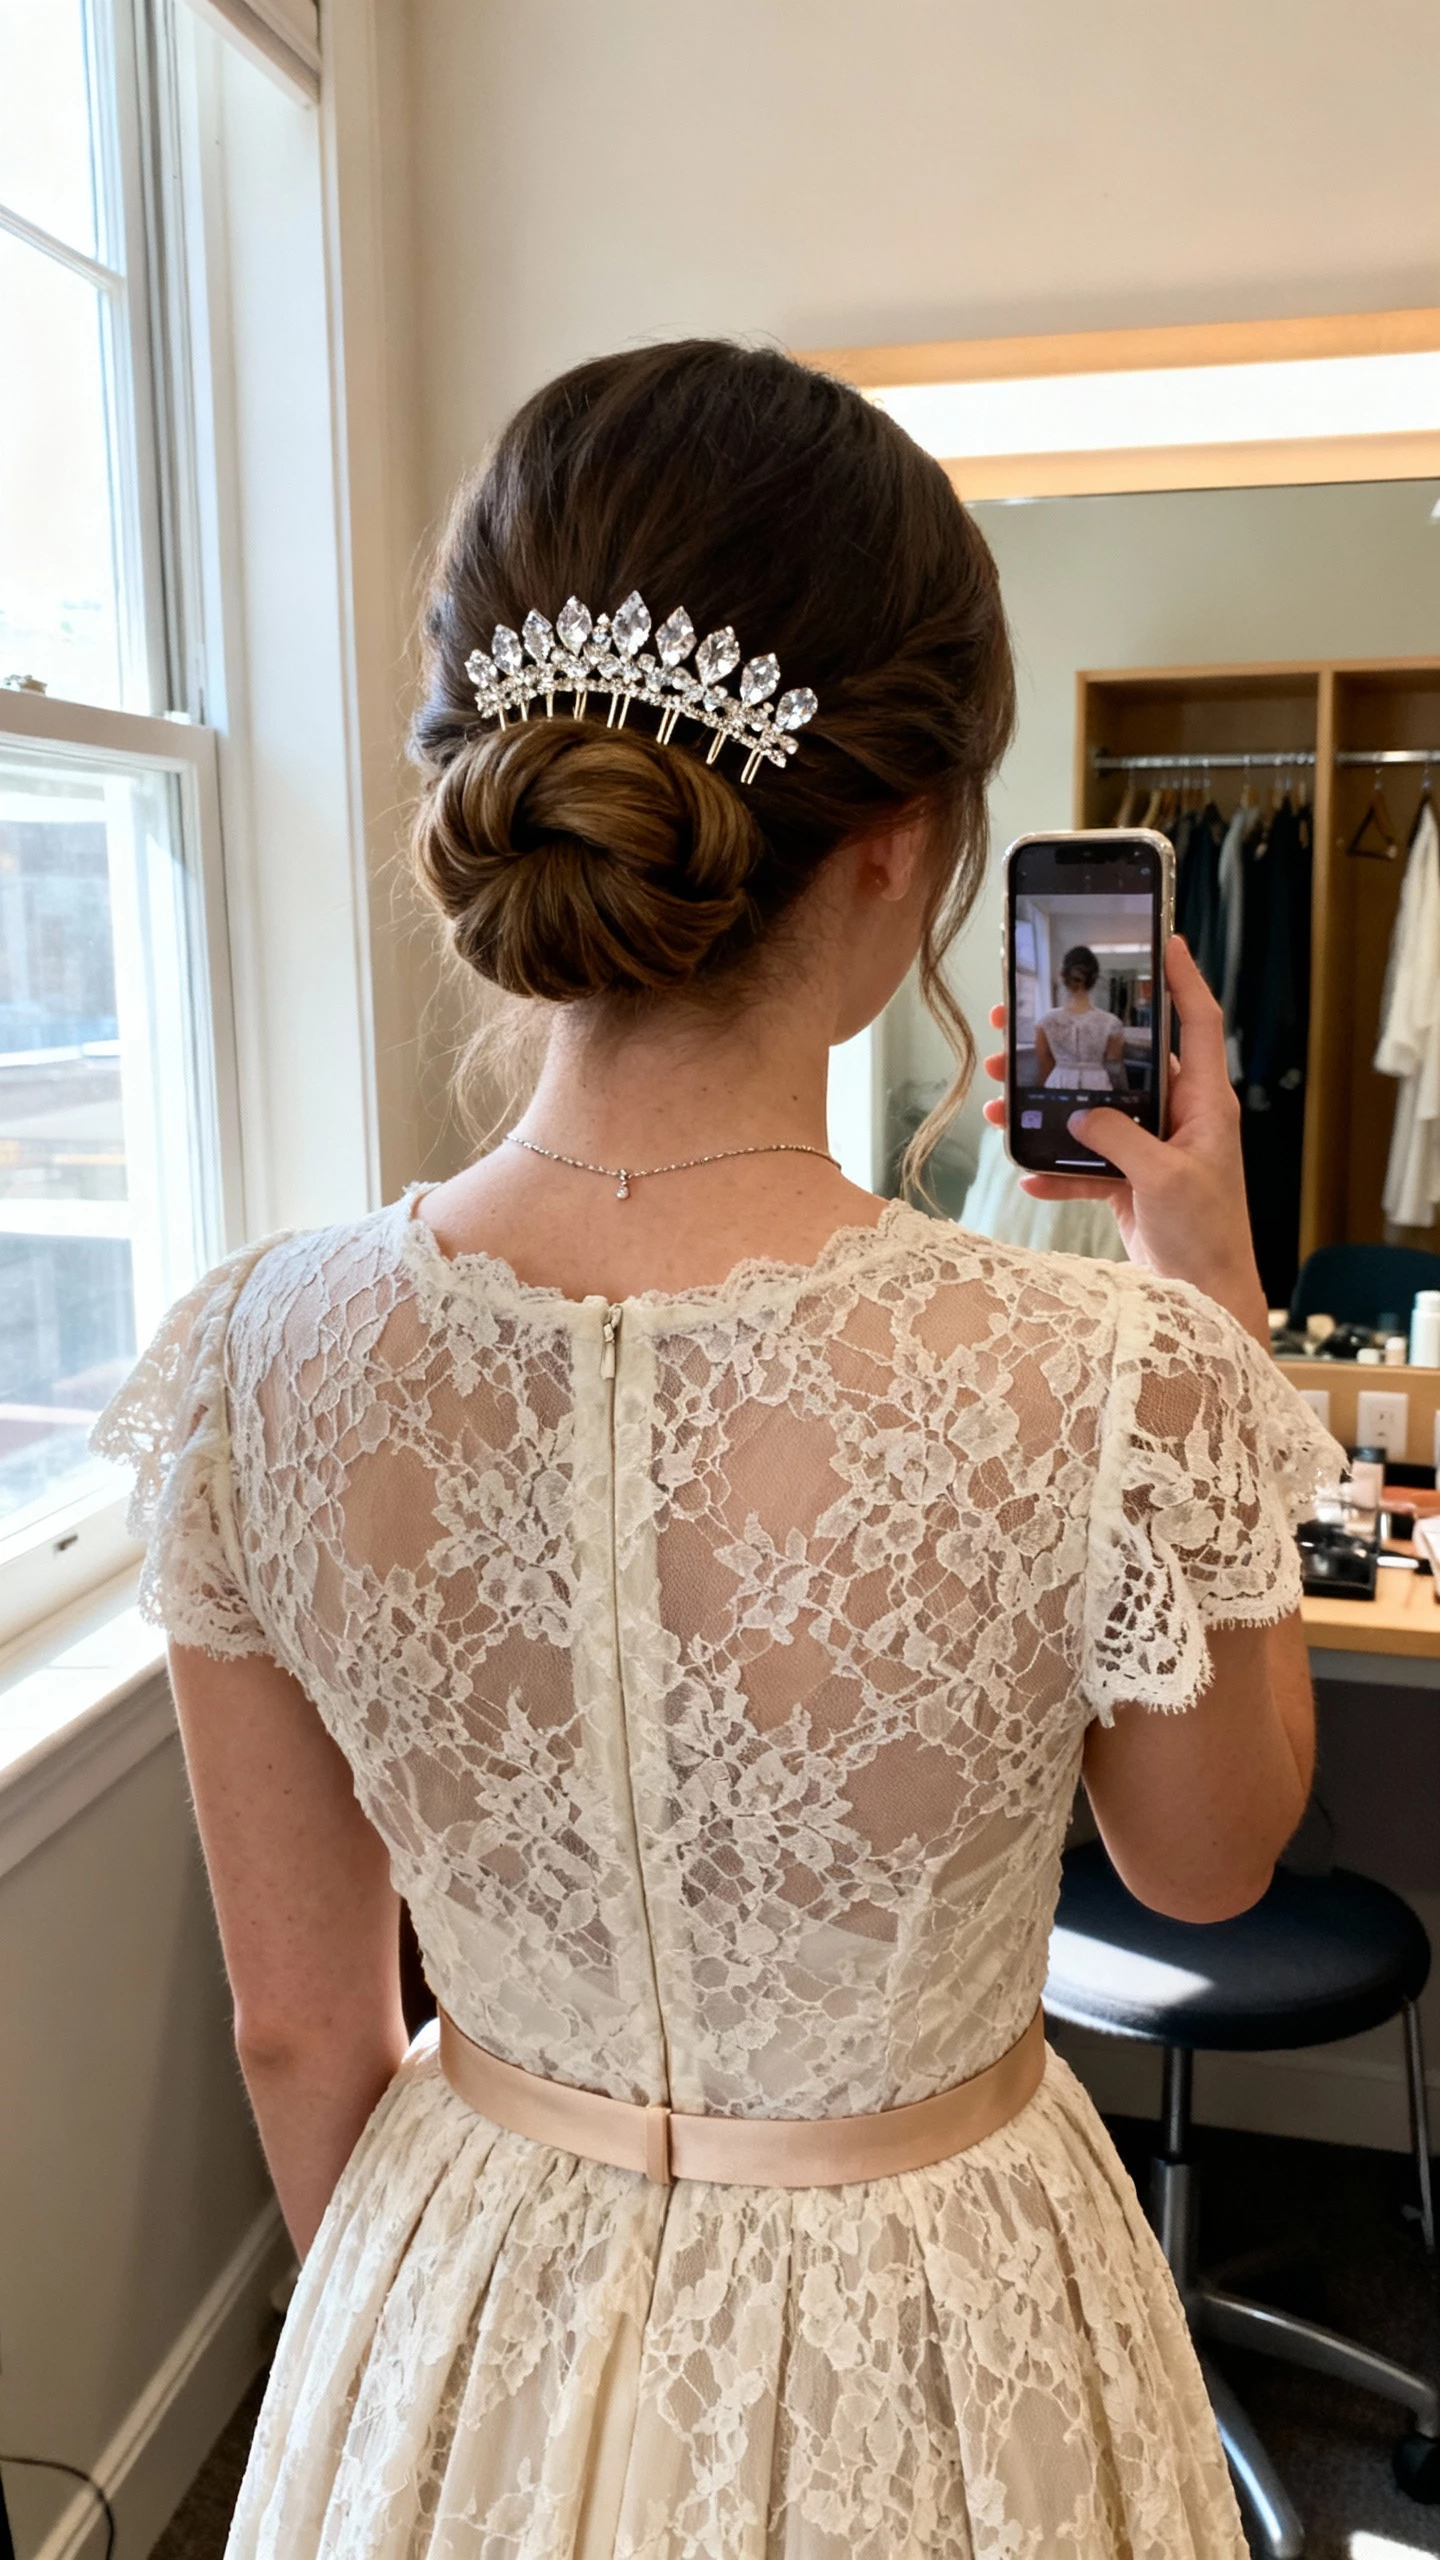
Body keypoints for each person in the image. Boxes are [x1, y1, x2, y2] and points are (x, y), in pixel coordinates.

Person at [94, 341, 1338, 2558]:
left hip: (464, 2283)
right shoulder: (1092, 1361)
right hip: (946, 2334)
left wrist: (415, 2346)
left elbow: (303, 2031)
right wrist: (1205, 1264)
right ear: (900, 847)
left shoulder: (255, 1360)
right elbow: (1210, 1861)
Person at [1033, 942, 1127, 1091]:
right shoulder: (1112, 1023)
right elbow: (1113, 1068)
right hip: (1098, 1086)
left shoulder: (1046, 1021)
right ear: (1094, 978)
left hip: (1058, 1084)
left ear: (1063, 975)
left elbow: (1044, 1067)